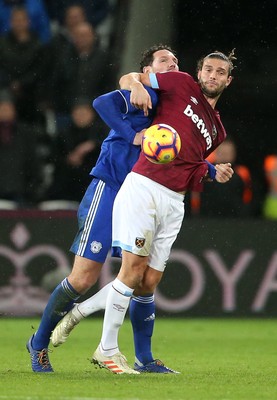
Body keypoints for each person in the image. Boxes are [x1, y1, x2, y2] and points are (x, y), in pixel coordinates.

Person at [26, 45, 181, 374]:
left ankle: (146, 359)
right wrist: (133, 132)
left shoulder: (172, 106)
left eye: (176, 61)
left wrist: (209, 170)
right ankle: (38, 343)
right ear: (148, 70)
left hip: (141, 198)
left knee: (141, 280)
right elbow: (101, 103)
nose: (173, 63)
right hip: (110, 188)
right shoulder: (141, 92)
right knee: (83, 278)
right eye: (164, 60)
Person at [87, 50, 235, 374]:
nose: (212, 75)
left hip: (174, 200)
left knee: (149, 281)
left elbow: (188, 161)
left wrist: (212, 171)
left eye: (219, 72)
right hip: (145, 185)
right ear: (199, 73)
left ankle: (144, 359)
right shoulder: (180, 84)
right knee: (133, 270)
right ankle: (107, 348)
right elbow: (130, 78)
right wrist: (135, 84)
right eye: (208, 69)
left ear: (228, 80)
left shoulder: (218, 132)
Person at [189, 136, 253, 217]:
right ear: (215, 153)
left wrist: (245, 213)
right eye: (222, 153)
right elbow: (195, 194)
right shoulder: (204, 171)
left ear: (234, 153)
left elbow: (248, 196)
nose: (225, 156)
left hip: (235, 220)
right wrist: (195, 214)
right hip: (206, 218)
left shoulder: (242, 172)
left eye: (228, 153)